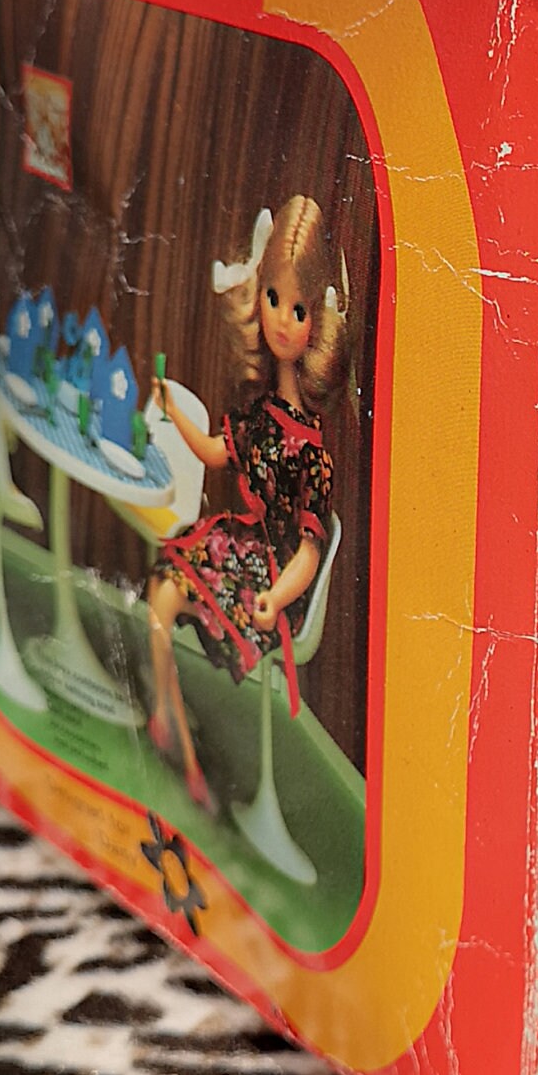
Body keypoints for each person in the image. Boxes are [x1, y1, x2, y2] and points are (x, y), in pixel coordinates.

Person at [145, 196, 347, 812]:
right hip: (241, 544)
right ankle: (170, 722)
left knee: (176, 593)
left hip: (274, 573)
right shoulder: (259, 415)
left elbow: (309, 550)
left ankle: (186, 738)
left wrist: (277, 597)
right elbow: (214, 452)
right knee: (161, 593)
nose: (283, 320)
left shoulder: (313, 451)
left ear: (317, 323)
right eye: (274, 299)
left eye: (299, 309)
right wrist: (173, 409)